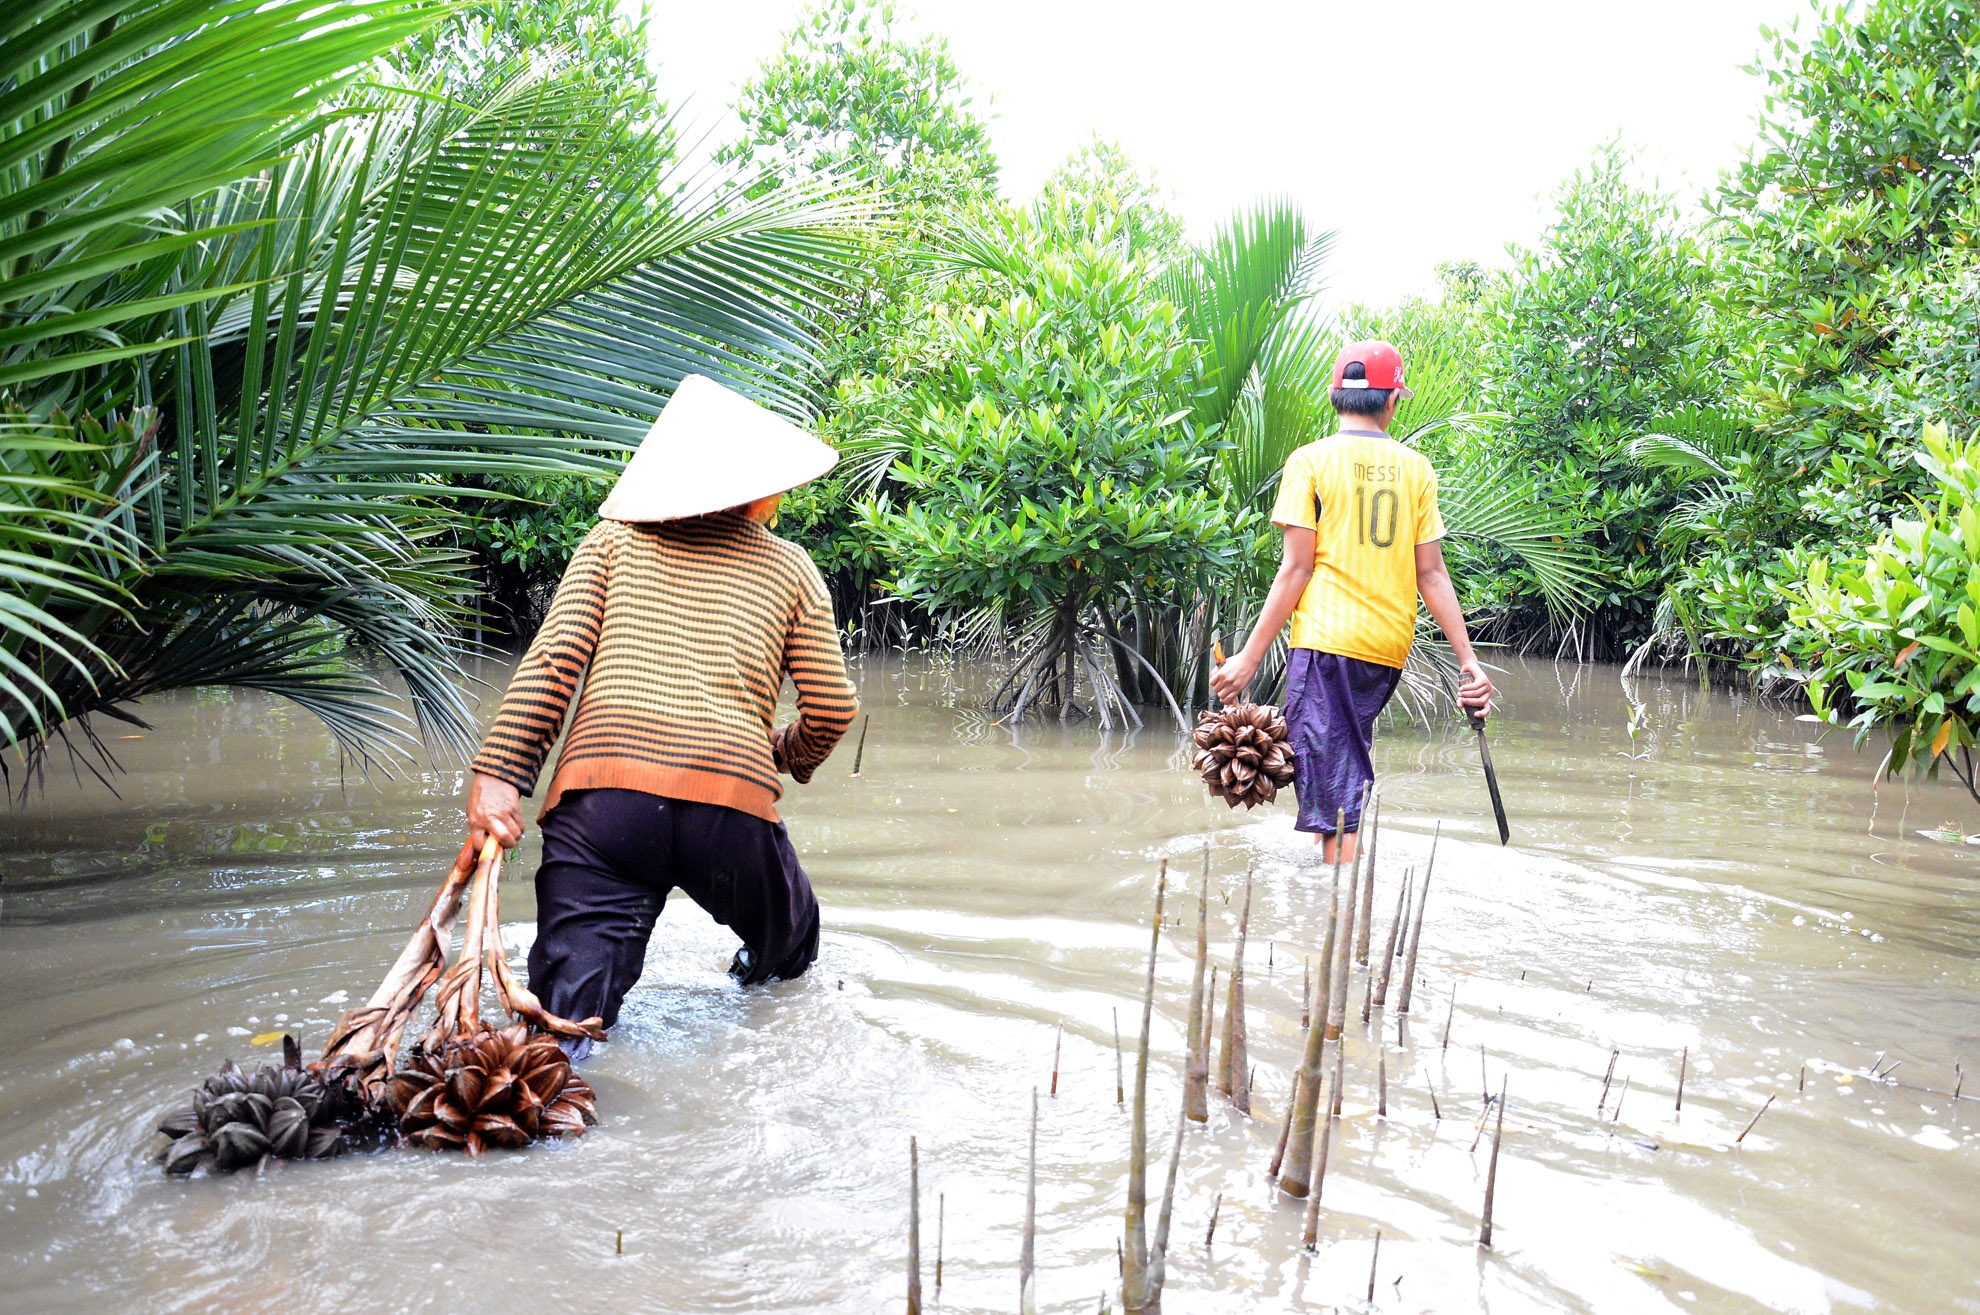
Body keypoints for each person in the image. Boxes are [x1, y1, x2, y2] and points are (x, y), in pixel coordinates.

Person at [463, 375, 859, 1056]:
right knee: (790, 945)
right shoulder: (792, 568)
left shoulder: (610, 543)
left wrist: (501, 774)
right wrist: (780, 752)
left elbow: (555, 661)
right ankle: (756, 991)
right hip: (729, 809)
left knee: (564, 1026)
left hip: (603, 805)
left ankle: (552, 1110)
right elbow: (832, 707)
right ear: (757, 486)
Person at [1210, 340, 1493, 863]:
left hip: (1326, 643)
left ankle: (1336, 913)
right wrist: (1467, 661)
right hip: (1386, 651)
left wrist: (1249, 658)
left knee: (1337, 792)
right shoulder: (1417, 468)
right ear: (1392, 402)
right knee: (1335, 771)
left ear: (1334, 398)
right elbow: (1430, 573)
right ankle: (1333, 896)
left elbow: (1296, 568)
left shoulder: (1310, 462)